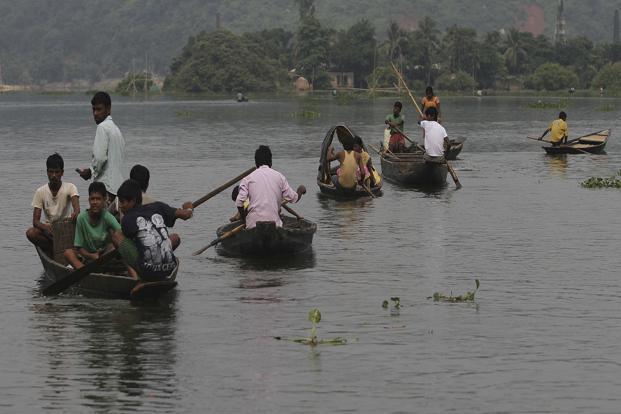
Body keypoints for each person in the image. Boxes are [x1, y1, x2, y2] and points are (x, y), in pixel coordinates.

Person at [111, 179, 194, 281]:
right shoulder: (158, 206)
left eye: (122, 202)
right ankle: (162, 265)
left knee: (116, 235)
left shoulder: (127, 219)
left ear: (132, 201)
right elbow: (186, 215)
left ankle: (136, 277)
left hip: (147, 271)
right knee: (175, 237)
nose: (120, 206)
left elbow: (132, 245)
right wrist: (189, 207)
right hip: (169, 268)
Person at [235, 145, 306, 229]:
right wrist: (300, 190)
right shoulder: (280, 177)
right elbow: (294, 199)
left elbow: (239, 202)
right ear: (271, 162)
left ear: (256, 163)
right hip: (274, 225)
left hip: (253, 225)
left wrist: (244, 220)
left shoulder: (247, 179)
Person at [77, 91, 126, 204]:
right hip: (118, 189)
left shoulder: (102, 128)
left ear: (108, 109)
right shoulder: (116, 130)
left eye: (99, 109)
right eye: (93, 110)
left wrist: (89, 172)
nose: (95, 113)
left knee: (100, 221)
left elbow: (100, 158)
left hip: (105, 189)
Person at [26, 153, 80, 256]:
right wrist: (46, 228)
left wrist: (76, 213)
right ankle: (53, 249)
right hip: (50, 232)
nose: (54, 175)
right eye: (51, 172)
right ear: (47, 172)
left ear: (62, 173)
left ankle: (58, 250)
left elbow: (77, 208)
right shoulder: (40, 191)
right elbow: (35, 221)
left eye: (57, 172)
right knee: (31, 233)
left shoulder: (70, 187)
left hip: (66, 228)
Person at [63, 182, 121, 269]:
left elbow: (121, 234)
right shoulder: (81, 218)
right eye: (92, 199)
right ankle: (84, 272)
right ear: (89, 199)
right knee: (68, 253)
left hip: (104, 256)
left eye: (98, 199)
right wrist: (92, 256)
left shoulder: (108, 217)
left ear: (104, 200)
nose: (95, 202)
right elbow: (79, 247)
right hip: (87, 257)